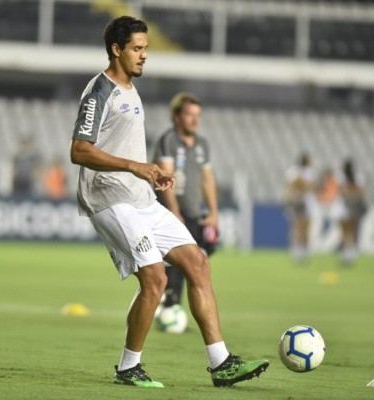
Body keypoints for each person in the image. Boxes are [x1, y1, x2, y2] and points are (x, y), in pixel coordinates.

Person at [70, 16, 268, 389]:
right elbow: (79, 151)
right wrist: (135, 166)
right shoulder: (99, 91)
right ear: (116, 49)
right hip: (109, 197)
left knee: (198, 263)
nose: (144, 55)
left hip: (140, 196)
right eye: (137, 49)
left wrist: (150, 174)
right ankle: (128, 367)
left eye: (146, 48)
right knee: (156, 278)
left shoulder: (131, 90)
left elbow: (125, 147)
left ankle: (221, 363)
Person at [152, 92, 219, 310]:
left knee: (196, 261)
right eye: (190, 114)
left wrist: (213, 212)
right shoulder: (168, 140)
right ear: (177, 116)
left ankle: (172, 309)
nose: (195, 119)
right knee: (174, 265)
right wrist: (174, 212)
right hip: (170, 213)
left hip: (193, 213)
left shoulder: (202, 144)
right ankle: (169, 307)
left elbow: (207, 179)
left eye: (197, 115)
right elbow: (166, 176)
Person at [284, 153, 317, 262]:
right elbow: (291, 186)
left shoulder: (309, 172)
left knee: (305, 228)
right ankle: (297, 251)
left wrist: (302, 187)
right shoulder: (293, 171)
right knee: (298, 227)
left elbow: (311, 187)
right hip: (298, 202)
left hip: (308, 202)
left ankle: (304, 251)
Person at [336, 159, 366, 265]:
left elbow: (339, 191)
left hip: (343, 206)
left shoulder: (340, 177)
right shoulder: (359, 177)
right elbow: (362, 193)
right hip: (354, 206)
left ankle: (346, 253)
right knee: (352, 231)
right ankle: (351, 253)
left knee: (345, 232)